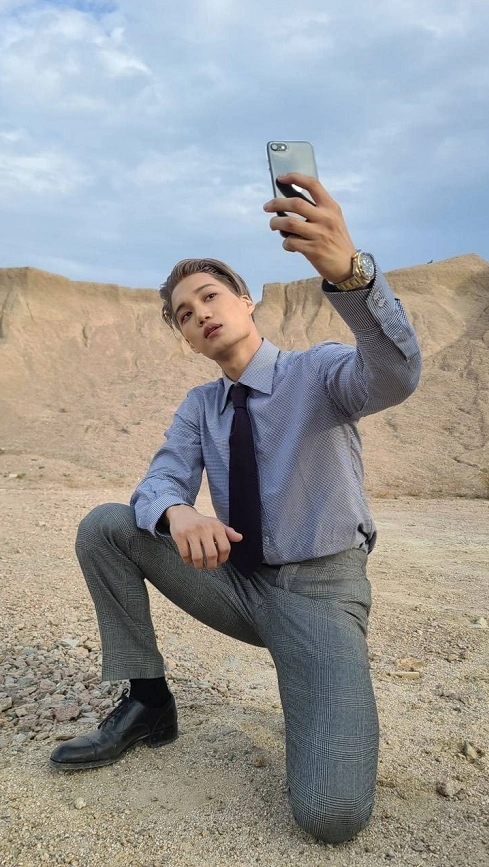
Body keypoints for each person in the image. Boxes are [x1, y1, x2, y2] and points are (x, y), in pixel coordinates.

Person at [49, 173, 422, 844]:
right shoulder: (201, 407)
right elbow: (156, 483)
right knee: (107, 525)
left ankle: (316, 683)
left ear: (246, 303)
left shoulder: (319, 371)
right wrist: (177, 513)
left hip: (319, 596)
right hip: (240, 586)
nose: (199, 314)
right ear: (188, 340)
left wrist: (352, 277)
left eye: (209, 296)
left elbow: (394, 374)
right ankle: (148, 702)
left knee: (330, 815)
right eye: (184, 315)